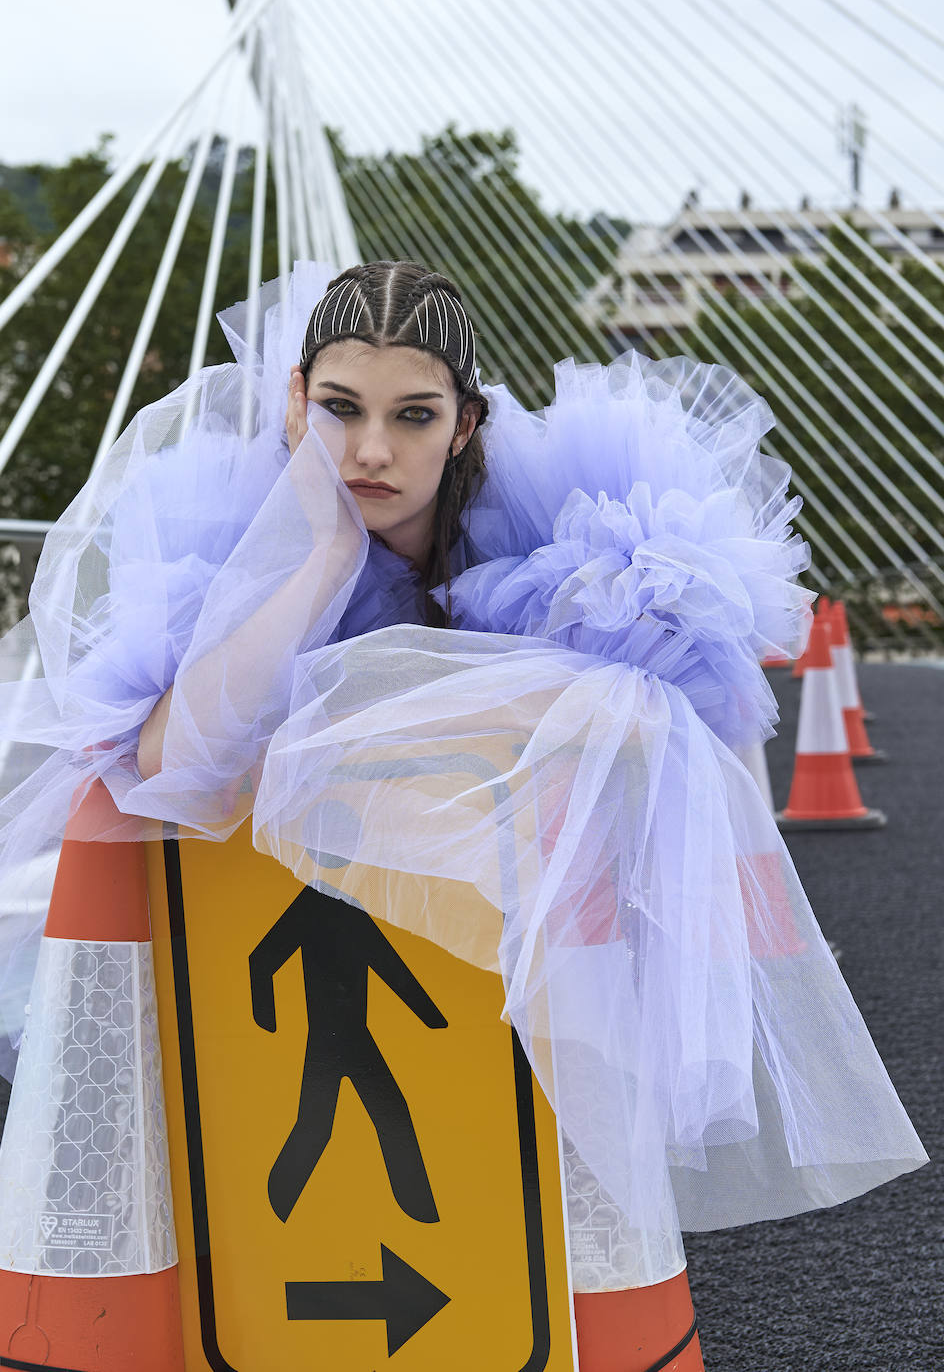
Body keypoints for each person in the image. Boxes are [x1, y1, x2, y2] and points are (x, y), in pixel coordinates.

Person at [0, 259, 927, 1301]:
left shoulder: (549, 541)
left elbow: (647, 727)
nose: (371, 451)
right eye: (340, 409)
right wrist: (315, 559)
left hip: (513, 987)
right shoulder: (226, 522)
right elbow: (167, 762)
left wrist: (357, 738)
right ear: (296, 398)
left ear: (466, 425)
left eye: (413, 415)